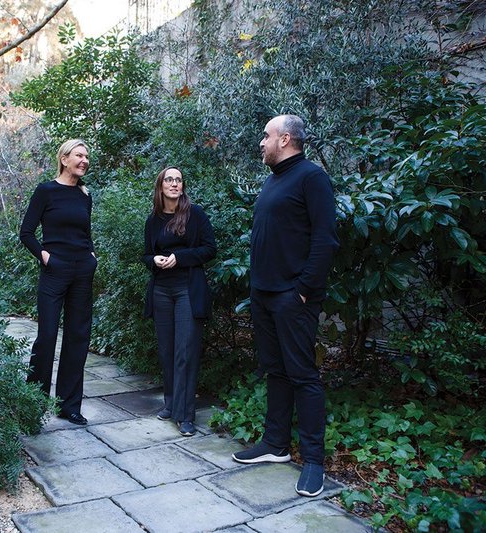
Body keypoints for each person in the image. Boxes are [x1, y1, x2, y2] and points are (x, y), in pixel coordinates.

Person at [231, 115, 339, 497]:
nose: (261, 142)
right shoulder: (274, 179)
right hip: (263, 293)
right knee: (275, 371)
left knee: (303, 376)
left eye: (266, 135)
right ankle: (275, 445)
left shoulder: (312, 178)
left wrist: (304, 291)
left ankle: (313, 461)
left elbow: (325, 239)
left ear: (286, 139)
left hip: (292, 297)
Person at [19, 139, 97, 426]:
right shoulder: (46, 191)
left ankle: (69, 406)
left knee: (78, 337)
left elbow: (85, 234)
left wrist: (91, 256)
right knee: (47, 337)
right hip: (55, 271)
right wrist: (46, 257)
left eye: (87, 156)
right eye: (79, 155)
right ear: (64, 159)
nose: (84, 160)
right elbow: (26, 232)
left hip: (82, 272)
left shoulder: (84, 195)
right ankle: (33, 406)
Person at [142, 166, 217, 437]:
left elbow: (210, 249)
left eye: (178, 180)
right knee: (167, 350)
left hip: (188, 288)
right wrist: (155, 260)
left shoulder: (195, 214)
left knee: (185, 351)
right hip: (162, 290)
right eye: (169, 180)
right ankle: (171, 404)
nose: (174, 184)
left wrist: (180, 258)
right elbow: (146, 255)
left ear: (182, 186)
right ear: (160, 186)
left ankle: (186, 415)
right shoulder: (153, 220)